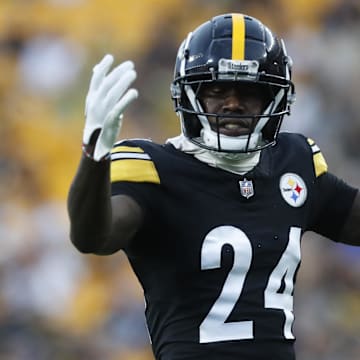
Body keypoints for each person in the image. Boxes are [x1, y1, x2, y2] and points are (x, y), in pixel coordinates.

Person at [67, 13, 360, 360]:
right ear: (190, 94)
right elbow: (92, 237)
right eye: (217, 90)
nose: (232, 104)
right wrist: (94, 154)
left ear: (274, 100)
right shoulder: (155, 167)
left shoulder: (294, 162)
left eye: (249, 91)